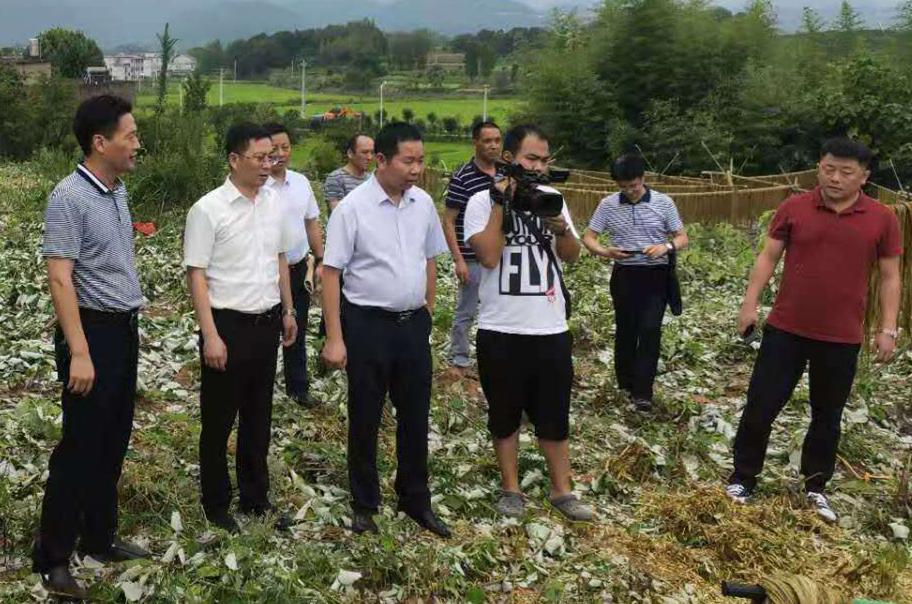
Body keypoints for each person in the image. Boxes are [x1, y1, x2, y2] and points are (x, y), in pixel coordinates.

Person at [727, 138, 902, 522]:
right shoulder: (794, 207)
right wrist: (749, 303)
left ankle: (815, 486)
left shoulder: (882, 218)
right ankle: (743, 477)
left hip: (841, 336)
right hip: (786, 328)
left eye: (846, 172)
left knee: (827, 415)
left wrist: (888, 328)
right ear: (818, 167)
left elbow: (891, 276)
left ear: (864, 177)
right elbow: (768, 256)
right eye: (828, 168)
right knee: (761, 404)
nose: (835, 178)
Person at [33, 95, 150, 600]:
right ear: (100, 142)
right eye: (131, 135)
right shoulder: (68, 197)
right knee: (79, 447)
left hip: (123, 329)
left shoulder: (116, 191)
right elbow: (60, 278)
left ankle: (99, 537)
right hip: (91, 334)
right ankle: (53, 557)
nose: (137, 144)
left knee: (113, 439)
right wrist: (79, 351)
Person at [321, 123, 451, 537]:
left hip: (412, 325)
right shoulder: (353, 208)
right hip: (367, 326)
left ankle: (415, 498)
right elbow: (331, 273)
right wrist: (335, 336)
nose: (417, 169)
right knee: (365, 416)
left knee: (415, 415)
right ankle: (364, 501)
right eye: (408, 160)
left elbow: (431, 256)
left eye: (421, 160)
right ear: (381, 160)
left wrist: (428, 307)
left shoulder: (424, 204)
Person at [464, 124, 594, 521]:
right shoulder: (480, 202)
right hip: (501, 327)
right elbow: (487, 256)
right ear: (510, 158)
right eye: (530, 159)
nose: (538, 166)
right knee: (504, 414)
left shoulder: (553, 198)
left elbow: (570, 255)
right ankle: (511, 489)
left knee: (554, 413)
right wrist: (503, 201)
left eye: (544, 159)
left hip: (549, 327)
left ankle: (562, 491)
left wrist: (560, 227)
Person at [183, 122, 300, 533]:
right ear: (234, 160)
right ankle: (216, 503)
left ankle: (256, 499)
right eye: (260, 157)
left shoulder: (274, 203)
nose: (269, 164)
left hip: (266, 322)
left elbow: (280, 259)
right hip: (226, 326)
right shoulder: (207, 209)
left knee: (258, 417)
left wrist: (288, 310)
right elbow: (196, 275)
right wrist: (210, 333)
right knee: (218, 421)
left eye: (272, 157)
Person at [582, 154, 688, 411]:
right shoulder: (607, 205)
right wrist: (607, 252)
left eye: (634, 186)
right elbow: (589, 237)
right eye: (623, 187)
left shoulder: (663, 203)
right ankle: (626, 384)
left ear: (643, 179)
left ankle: (643, 392)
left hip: (655, 275)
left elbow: (682, 237)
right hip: (625, 274)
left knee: (650, 330)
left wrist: (665, 247)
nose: (630, 191)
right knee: (626, 330)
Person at [263, 122, 325, 408]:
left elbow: (311, 223)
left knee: (296, 328)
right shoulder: (257, 185)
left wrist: (321, 258)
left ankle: (297, 388)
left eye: (285, 147)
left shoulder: (300, 183)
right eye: (273, 148)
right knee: (263, 333)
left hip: (298, 267)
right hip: (264, 271)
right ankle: (259, 389)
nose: (280, 153)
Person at [443, 121, 503, 371]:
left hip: (500, 253)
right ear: (475, 143)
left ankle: (495, 353)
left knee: (498, 306)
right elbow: (448, 220)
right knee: (467, 308)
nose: (493, 145)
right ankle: (459, 354)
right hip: (471, 255)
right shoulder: (463, 177)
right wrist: (458, 260)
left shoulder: (506, 173)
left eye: (497, 140)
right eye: (487, 141)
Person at [323, 133, 374, 214]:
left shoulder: (372, 180)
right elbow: (338, 213)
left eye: (372, 152)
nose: (369, 157)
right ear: (350, 153)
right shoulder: (336, 178)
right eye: (364, 152)